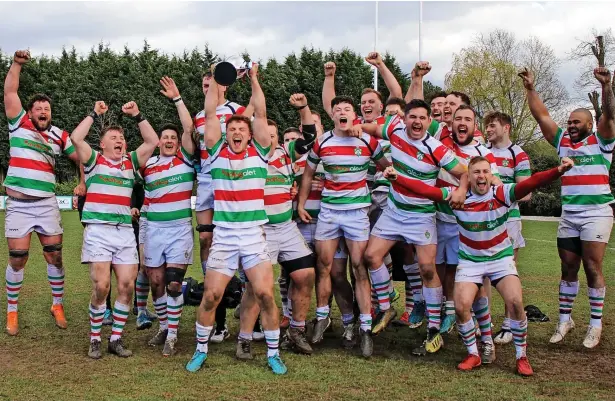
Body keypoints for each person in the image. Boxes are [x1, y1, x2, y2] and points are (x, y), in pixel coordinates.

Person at [384, 156, 575, 376]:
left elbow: (532, 182)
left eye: (485, 172)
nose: (481, 176)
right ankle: (473, 354)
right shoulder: (457, 197)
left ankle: (521, 356)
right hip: (471, 261)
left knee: (515, 301)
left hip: (500, 259)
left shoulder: (502, 194)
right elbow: (426, 191)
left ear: (491, 175)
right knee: (461, 306)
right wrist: (397, 178)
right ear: (469, 177)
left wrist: (558, 170)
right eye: (476, 172)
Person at [186, 64, 287, 375]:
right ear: (225, 133)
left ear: (250, 134)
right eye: (232, 129)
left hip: (254, 236)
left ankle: (273, 353)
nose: (237, 132)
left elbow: (261, 113)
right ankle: (200, 349)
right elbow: (211, 113)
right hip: (226, 236)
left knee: (266, 295)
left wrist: (255, 78)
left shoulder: (260, 154)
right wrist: (217, 81)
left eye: (242, 129)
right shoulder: (216, 154)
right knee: (211, 296)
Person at [356, 99, 468, 355]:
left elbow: (464, 173)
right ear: (404, 119)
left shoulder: (436, 148)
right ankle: (386, 306)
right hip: (394, 212)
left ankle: (434, 328)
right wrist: (357, 127)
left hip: (421, 217)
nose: (417, 122)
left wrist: (461, 190)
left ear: (429, 121)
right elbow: (374, 129)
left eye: (422, 118)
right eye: (412, 117)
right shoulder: (394, 130)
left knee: (427, 269)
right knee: (372, 257)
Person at [520, 66, 615, 349]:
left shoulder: (602, 141)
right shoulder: (562, 141)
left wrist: (607, 86)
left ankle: (595, 325)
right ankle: (565, 320)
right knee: (568, 266)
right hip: (570, 214)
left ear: (590, 124)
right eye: (570, 122)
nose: (571, 125)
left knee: (592, 265)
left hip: (597, 212)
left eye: (577, 122)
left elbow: (609, 114)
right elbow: (541, 115)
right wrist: (530, 88)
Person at [297, 95, 390, 358]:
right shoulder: (323, 140)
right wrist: (301, 203)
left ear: (353, 114)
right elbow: (308, 173)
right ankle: (322, 318)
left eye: (347, 109)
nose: (342, 112)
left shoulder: (367, 139)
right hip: (329, 213)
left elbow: (387, 167)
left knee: (360, 269)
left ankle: (365, 329)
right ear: (333, 115)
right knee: (324, 266)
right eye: (337, 109)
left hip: (357, 214)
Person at [3, 49, 86, 335]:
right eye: (38, 108)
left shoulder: (59, 135)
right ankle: (12, 311)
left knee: (55, 256)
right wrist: (17, 64)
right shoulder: (18, 124)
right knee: (18, 258)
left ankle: (57, 304)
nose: (43, 112)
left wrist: (82, 181)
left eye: (47, 109)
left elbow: (82, 157)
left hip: (47, 204)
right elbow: (10, 91)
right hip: (17, 204)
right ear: (30, 112)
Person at [71, 100, 159, 359]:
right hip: (98, 230)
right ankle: (96, 338)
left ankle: (116, 338)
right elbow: (76, 137)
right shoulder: (93, 160)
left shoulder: (130, 163)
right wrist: (94, 113)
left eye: (121, 137)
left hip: (123, 232)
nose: (119, 140)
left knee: (127, 285)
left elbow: (152, 140)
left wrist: (138, 114)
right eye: (113, 137)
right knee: (102, 286)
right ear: (103, 144)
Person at [238, 94, 317, 359]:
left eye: (273, 135)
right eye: (264, 134)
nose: (269, 139)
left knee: (305, 275)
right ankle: (245, 339)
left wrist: (303, 108)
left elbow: (309, 137)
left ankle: (296, 330)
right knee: (256, 287)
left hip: (286, 227)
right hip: (259, 231)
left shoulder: (286, 153)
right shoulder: (247, 157)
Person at [193, 69, 253, 343]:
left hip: (232, 176)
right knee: (206, 238)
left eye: (212, 84)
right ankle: (215, 292)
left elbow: (253, 119)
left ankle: (242, 290)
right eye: (205, 85)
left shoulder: (235, 109)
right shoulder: (199, 115)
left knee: (238, 236)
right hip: (206, 178)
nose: (208, 88)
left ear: (223, 87)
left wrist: (250, 78)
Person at [433, 105, 501, 339]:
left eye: (468, 119)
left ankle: (473, 322)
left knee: (464, 272)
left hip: (465, 226)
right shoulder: (440, 144)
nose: (462, 123)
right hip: (436, 217)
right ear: (450, 124)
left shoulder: (483, 152)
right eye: (457, 119)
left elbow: (495, 181)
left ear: (475, 126)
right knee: (435, 267)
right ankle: (443, 310)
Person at [141, 76, 195, 356]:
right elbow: (147, 201)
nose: (170, 140)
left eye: (174, 138)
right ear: (159, 141)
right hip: (154, 230)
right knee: (156, 282)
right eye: (166, 137)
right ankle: (164, 326)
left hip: (179, 230)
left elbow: (189, 128)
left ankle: (172, 335)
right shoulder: (148, 165)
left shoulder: (185, 160)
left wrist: (177, 98)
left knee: (174, 282)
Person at [485, 111, 532, 344]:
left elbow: (526, 192)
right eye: (487, 126)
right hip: (484, 220)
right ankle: (485, 322)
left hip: (509, 220)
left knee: (508, 272)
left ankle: (509, 325)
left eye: (492, 125)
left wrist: (499, 187)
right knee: (482, 273)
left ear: (506, 128)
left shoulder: (518, 154)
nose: (488, 130)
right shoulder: (482, 151)